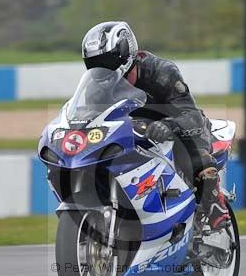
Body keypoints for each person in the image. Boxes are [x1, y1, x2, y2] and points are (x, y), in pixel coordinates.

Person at [81, 21, 231, 230]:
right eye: (95, 63)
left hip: (179, 129)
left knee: (193, 155)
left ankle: (215, 207)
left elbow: (191, 115)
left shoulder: (162, 72)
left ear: (125, 53)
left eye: (105, 61)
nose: (101, 69)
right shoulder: (95, 90)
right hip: (132, 135)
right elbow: (90, 121)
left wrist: (168, 125)